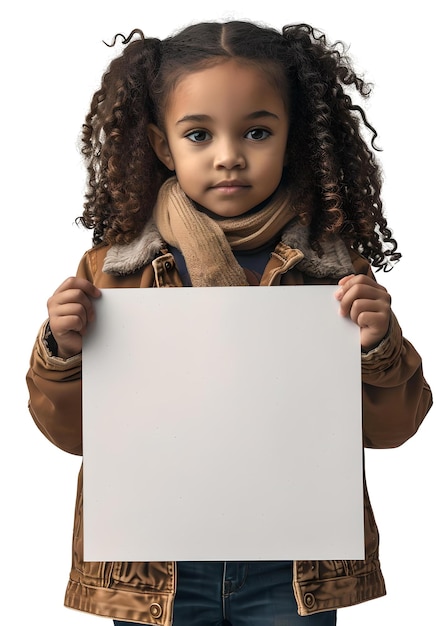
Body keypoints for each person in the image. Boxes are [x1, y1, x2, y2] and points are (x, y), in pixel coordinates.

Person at [26, 19, 432, 626]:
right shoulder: (112, 269)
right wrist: (62, 349)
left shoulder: (335, 271)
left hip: (291, 570)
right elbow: (72, 436)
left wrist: (378, 345)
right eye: (198, 134)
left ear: (291, 139)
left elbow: (393, 428)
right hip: (157, 571)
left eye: (257, 131)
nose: (229, 156)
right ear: (164, 145)